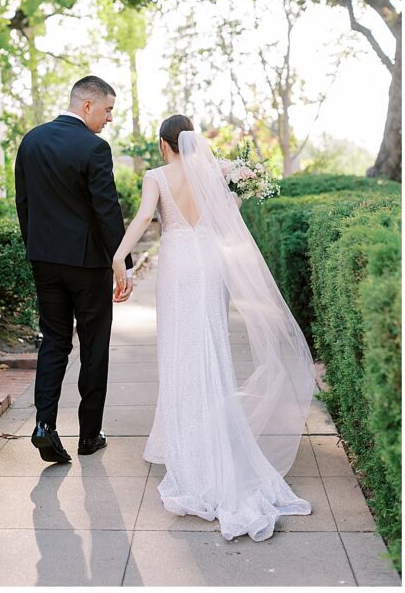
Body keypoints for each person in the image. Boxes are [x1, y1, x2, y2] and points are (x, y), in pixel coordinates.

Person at [110, 115, 315, 541]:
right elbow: (228, 222)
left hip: (179, 265)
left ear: (165, 145)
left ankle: (190, 445)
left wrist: (118, 259)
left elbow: (143, 218)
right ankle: (201, 432)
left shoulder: (156, 176)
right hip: (209, 265)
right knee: (210, 347)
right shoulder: (212, 176)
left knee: (179, 349)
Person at [15, 75, 133, 464]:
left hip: (45, 260)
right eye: (108, 109)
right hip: (88, 264)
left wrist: (35, 248)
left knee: (54, 341)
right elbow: (107, 210)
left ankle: (44, 425)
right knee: (94, 346)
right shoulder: (94, 148)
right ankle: (88, 435)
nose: (110, 118)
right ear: (87, 106)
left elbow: (24, 203)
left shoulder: (31, 141)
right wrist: (122, 262)